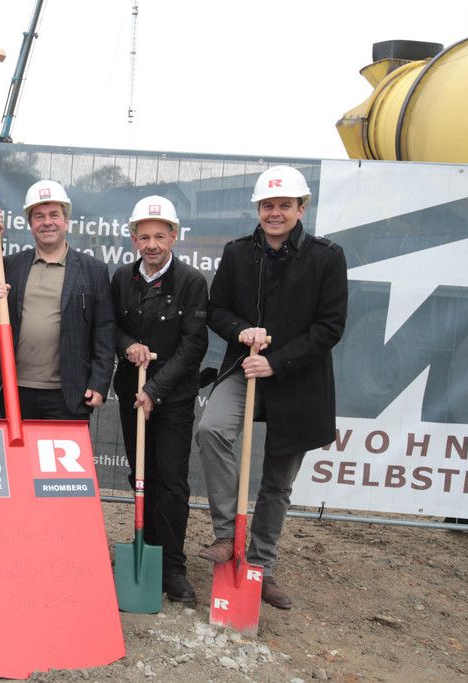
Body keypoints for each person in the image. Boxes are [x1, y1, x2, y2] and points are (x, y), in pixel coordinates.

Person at [196, 165, 348, 610]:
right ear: (258, 210)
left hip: (298, 379)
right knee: (211, 429)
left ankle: (260, 567)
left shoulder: (326, 257)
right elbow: (217, 310)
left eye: (284, 205)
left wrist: (277, 362)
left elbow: (330, 326)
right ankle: (228, 536)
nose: (275, 213)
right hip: (243, 368)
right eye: (267, 205)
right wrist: (241, 332)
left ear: (302, 208)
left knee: (277, 483)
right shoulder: (238, 253)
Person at [111, 195, 208, 603]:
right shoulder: (122, 278)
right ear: (133, 238)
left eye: (160, 236)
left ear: (174, 236)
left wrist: (155, 390)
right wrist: (128, 345)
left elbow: (194, 345)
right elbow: (111, 327)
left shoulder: (191, 282)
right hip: (131, 394)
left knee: (171, 481)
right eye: (144, 236)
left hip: (174, 397)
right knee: (141, 476)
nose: (152, 245)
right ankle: (146, 549)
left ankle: (172, 565)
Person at [0, 180, 114, 420]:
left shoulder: (93, 271)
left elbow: (104, 331)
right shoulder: (10, 266)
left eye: (54, 215)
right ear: (30, 224)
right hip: (16, 389)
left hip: (69, 394)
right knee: (17, 448)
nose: (47, 222)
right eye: (39, 217)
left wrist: (99, 382)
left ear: (66, 221)